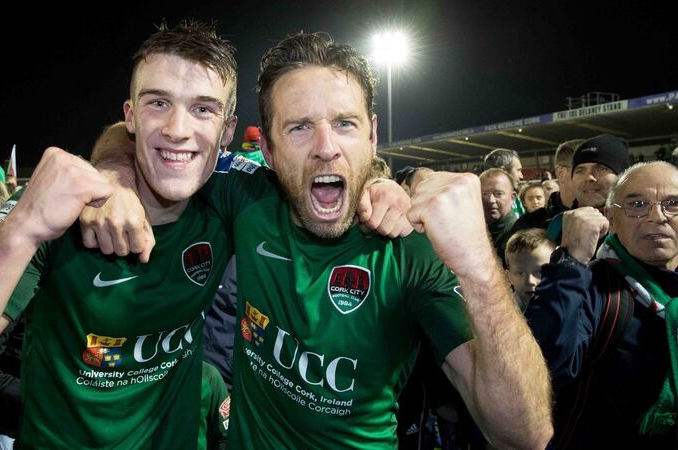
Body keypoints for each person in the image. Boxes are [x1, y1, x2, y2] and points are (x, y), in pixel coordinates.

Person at [0, 21, 411, 449]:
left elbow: (323, 169)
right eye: (158, 103)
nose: (179, 129)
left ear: (226, 133)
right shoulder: (54, 212)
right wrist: (23, 227)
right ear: (130, 117)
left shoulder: (230, 194)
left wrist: (387, 187)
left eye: (203, 108)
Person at [86, 32, 552, 448]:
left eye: (345, 124)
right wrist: (115, 174)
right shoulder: (247, 200)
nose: (326, 146)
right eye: (300, 127)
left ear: (372, 134)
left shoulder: (411, 251)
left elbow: (524, 434)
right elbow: (150, 136)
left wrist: (477, 268)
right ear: (266, 148)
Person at [526, 161, 678, 449]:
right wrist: (569, 263)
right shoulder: (590, 286)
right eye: (637, 204)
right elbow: (540, 374)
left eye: (673, 203)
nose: (657, 216)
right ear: (610, 217)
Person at [546, 134, 630, 241]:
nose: (589, 177)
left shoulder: (644, 227)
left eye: (601, 168)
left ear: (623, 176)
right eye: (580, 170)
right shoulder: (556, 228)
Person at [504, 228, 556, 309]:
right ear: (509, 278)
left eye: (540, 272)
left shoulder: (567, 307)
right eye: (520, 273)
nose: (530, 281)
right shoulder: (504, 313)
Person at [479, 168, 518, 258]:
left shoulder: (519, 236)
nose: (490, 200)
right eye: (484, 194)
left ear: (512, 197)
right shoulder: (471, 230)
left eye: (498, 194)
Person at [483, 148, 525, 218]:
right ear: (503, 171)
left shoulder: (515, 196)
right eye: (518, 170)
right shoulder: (481, 203)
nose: (521, 176)